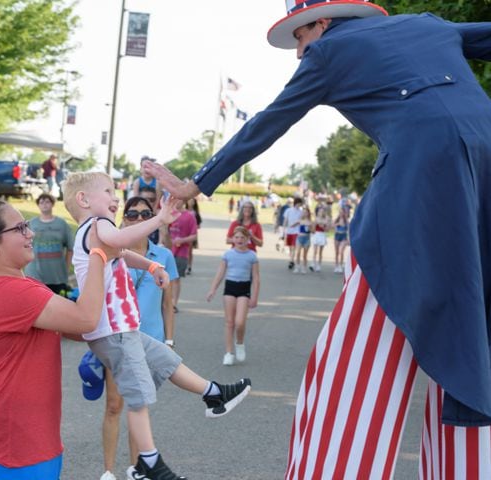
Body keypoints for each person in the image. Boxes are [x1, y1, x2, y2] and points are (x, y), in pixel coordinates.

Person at [144, 2, 491, 477]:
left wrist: (196, 184)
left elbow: (266, 124)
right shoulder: (428, 24)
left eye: (299, 39)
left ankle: (336, 465)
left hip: (425, 167)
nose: (298, 54)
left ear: (322, 24)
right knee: (477, 309)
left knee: (366, 319)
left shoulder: (327, 53)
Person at [62, 171, 251, 480]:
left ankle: (213, 393)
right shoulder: (99, 225)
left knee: (166, 360)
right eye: (108, 191)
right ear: (83, 199)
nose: (115, 198)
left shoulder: (91, 232)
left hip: (120, 330)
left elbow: (121, 252)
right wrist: (160, 219)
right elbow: (123, 239)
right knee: (137, 397)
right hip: (115, 331)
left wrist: (151, 264)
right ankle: (147, 462)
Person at [0, 199, 116, 479]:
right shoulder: (9, 291)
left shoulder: (23, 285)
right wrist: (97, 252)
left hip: (26, 437)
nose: (31, 233)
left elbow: (79, 328)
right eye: (21, 228)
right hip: (9, 439)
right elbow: (86, 319)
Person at [99, 196, 179, 480]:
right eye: (132, 214)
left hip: (151, 340)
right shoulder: (110, 251)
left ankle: (137, 469)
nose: (138, 218)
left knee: (138, 405)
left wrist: (169, 340)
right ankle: (108, 471)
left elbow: (168, 304)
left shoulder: (164, 256)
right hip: (117, 339)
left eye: (146, 214)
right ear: (124, 218)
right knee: (113, 404)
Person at [206, 227, 260, 366]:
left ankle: (240, 343)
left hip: (244, 288)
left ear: (248, 239)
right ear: (232, 239)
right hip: (230, 287)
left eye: (242, 237)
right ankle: (229, 353)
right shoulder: (228, 254)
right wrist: (213, 289)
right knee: (229, 322)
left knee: (240, 322)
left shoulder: (252, 256)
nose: (239, 240)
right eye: (236, 237)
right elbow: (220, 273)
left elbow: (256, 277)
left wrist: (255, 296)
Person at [24, 193, 74, 295]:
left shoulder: (61, 224)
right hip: (35, 274)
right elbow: (23, 246)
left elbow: (70, 248)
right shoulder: (31, 224)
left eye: (47, 202)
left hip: (56, 275)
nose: (44, 204)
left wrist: (66, 267)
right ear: (38, 205)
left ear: (52, 204)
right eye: (41, 202)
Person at [168, 200, 197, 312]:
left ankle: (174, 303)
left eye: (179, 198)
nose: (176, 201)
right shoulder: (169, 214)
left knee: (175, 278)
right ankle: (166, 301)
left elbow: (194, 235)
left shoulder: (189, 216)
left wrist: (182, 240)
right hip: (168, 250)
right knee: (166, 278)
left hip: (181, 252)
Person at [283, 197, 303, 270]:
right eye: (299, 203)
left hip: (297, 231)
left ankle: (291, 261)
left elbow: (300, 221)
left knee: (293, 246)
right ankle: (291, 259)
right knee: (290, 247)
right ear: (296, 203)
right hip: (289, 231)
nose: (299, 205)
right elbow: (285, 220)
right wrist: (284, 229)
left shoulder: (301, 211)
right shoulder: (288, 210)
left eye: (300, 204)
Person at [310, 204, 330, 272]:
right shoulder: (316, 219)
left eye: (322, 211)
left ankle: (319, 265)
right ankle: (313, 263)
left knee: (320, 252)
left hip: (322, 235)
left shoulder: (326, 219)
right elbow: (312, 230)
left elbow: (327, 229)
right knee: (315, 251)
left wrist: (323, 226)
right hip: (316, 234)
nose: (321, 212)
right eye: (319, 211)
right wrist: (314, 225)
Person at [186, 197, 202, 275]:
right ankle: (185, 265)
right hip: (184, 233)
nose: (190, 203)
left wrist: (193, 226)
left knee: (189, 251)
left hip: (191, 233)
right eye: (189, 201)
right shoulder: (184, 212)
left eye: (192, 201)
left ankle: (189, 266)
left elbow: (199, 225)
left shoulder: (195, 213)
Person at [294, 206, 312, 274]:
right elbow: (293, 225)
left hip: (307, 238)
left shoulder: (310, 222)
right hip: (299, 238)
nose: (304, 213)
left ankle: (304, 267)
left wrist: (310, 228)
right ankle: (297, 266)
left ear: (308, 213)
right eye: (303, 212)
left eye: (306, 212)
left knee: (305, 255)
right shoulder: (300, 220)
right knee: (298, 252)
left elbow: (313, 231)